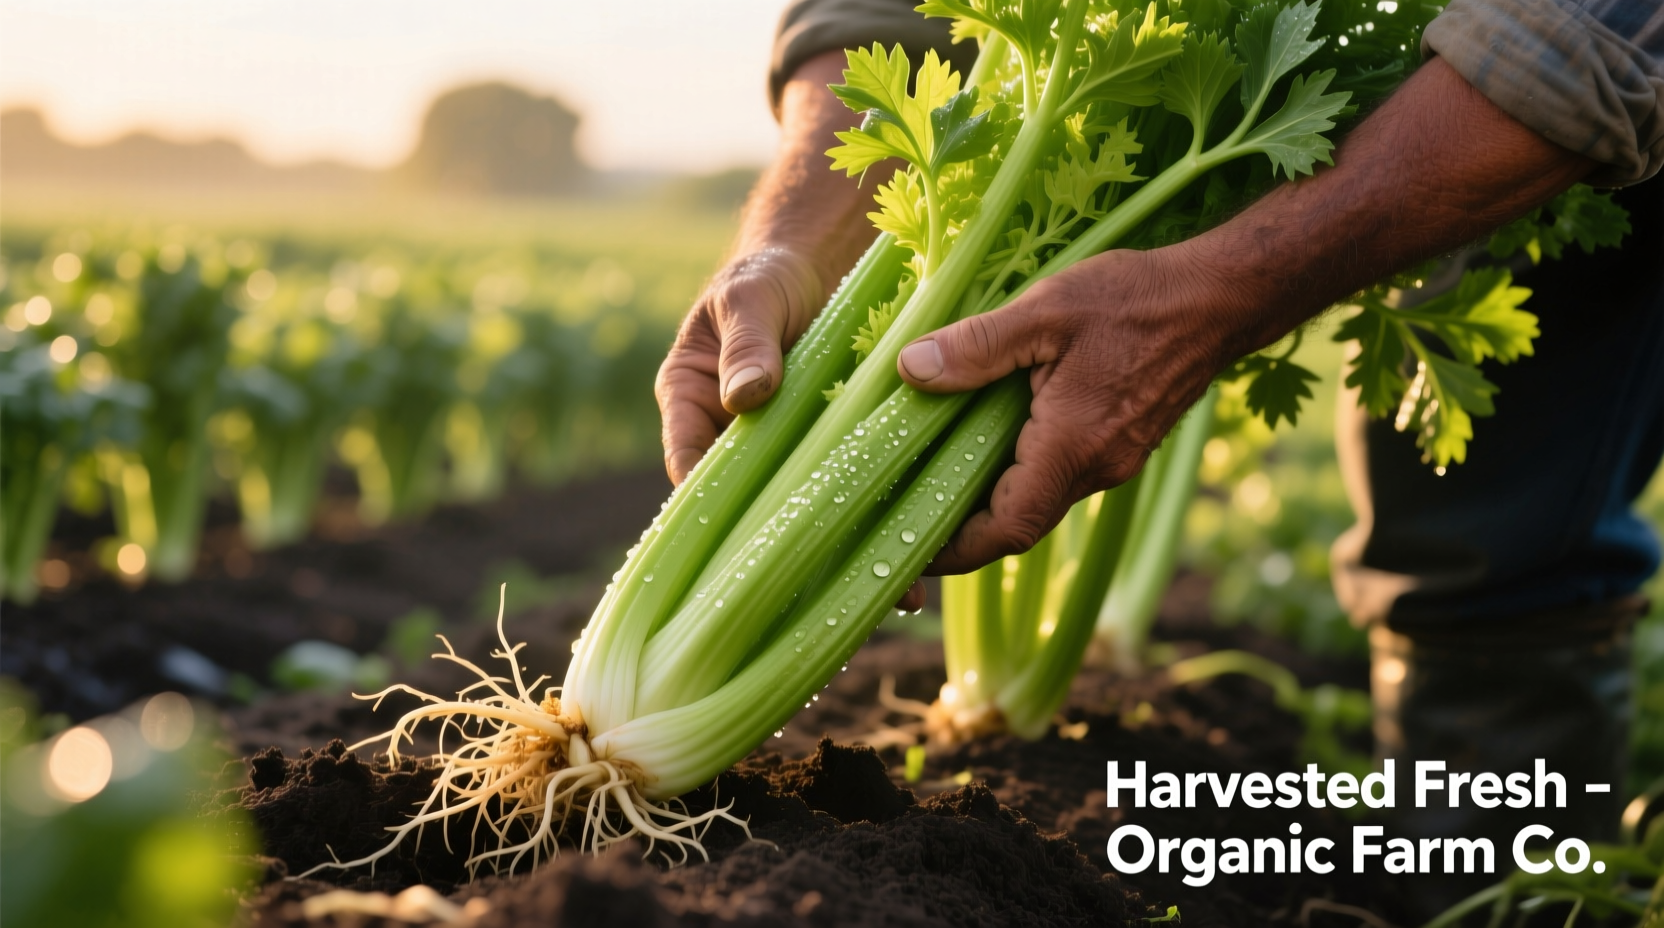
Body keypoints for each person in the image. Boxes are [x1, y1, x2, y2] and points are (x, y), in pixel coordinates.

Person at [656, 0, 1662, 916]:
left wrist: (1232, 283)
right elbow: (880, 17)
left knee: (1486, 513)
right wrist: (788, 239)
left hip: (1551, 62)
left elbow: (1587, 39)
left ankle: (1505, 883)